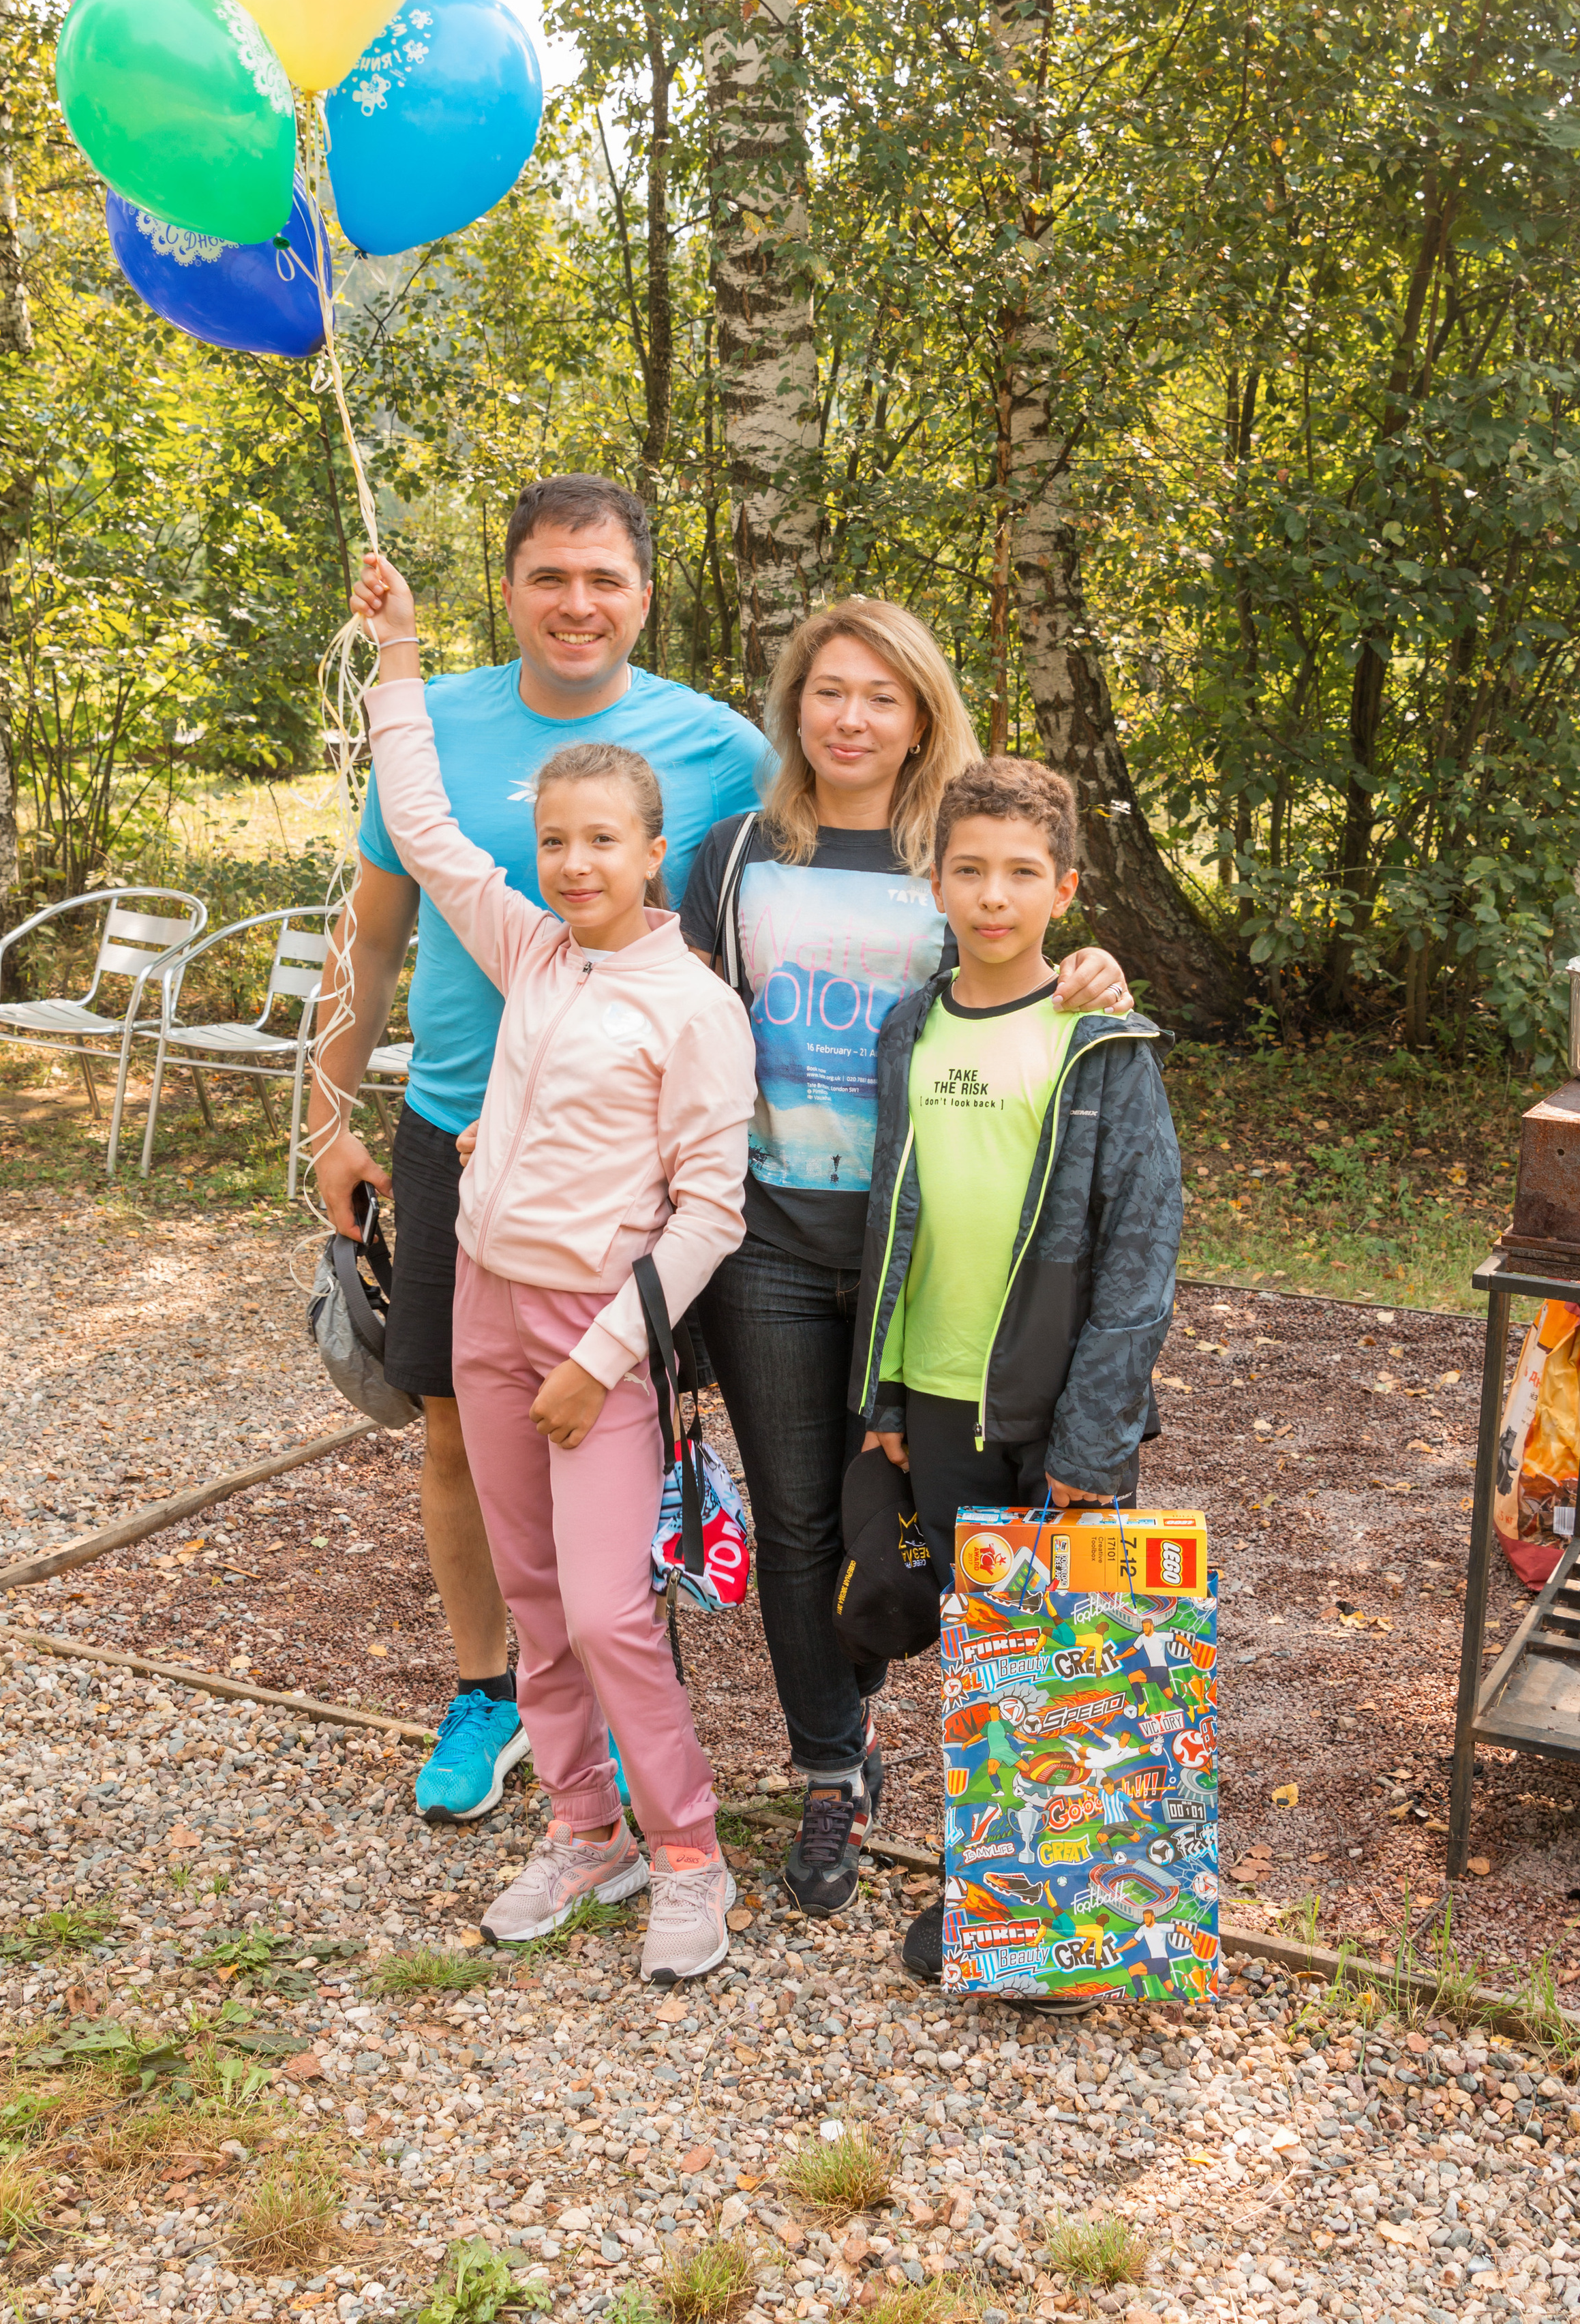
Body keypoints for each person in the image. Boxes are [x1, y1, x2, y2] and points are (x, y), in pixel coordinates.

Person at [307, 477, 768, 1826]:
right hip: (460, 1143)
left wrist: (1032, 961)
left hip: (626, 1170)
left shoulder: (719, 747)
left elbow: (836, 864)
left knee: (616, 1442)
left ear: (644, 594)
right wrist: (326, 1119)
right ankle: (492, 1697)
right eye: (549, 576)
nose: (577, 603)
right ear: (507, 587)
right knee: (460, 1438)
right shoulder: (445, 739)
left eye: (603, 578)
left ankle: (623, 1722)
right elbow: (382, 917)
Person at [678, 602, 1133, 1915]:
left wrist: (1095, 974)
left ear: (924, 714)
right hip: (767, 1237)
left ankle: (1032, 1850)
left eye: (883, 695)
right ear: (795, 707)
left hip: (923, 1260)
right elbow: (673, 1020)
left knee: (923, 1522)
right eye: (829, 691)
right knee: (797, 1521)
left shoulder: (960, 853)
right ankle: (833, 1769)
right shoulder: (738, 854)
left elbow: (1023, 988)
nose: (852, 718)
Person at [846, 754, 1182, 1985]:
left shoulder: (1102, 1040)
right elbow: (893, 1220)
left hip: (1061, 1412)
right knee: (981, 1649)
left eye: (1023, 873)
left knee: (1072, 1658)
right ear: (934, 882)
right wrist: (886, 1392)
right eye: (971, 870)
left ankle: (1077, 1933)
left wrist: (1097, 1438)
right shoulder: (909, 1029)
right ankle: (989, 1898)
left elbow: (1143, 1249)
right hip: (938, 1399)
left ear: (1065, 889)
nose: (995, 896)